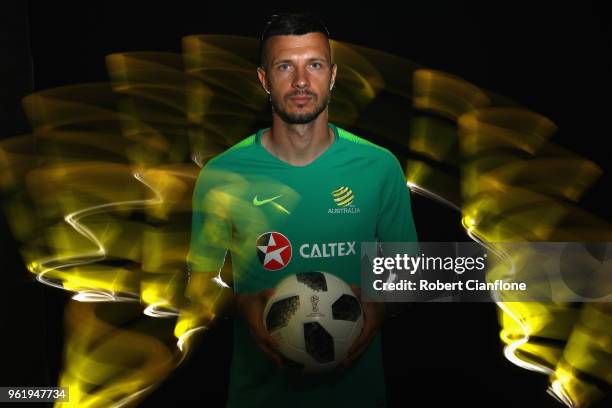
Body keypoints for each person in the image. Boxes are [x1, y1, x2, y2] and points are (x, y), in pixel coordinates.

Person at [183, 12, 418, 408]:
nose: (300, 82)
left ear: (333, 75)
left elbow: (409, 274)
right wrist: (241, 302)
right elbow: (200, 283)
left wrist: (378, 306)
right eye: (284, 66)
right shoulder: (222, 174)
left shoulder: (379, 167)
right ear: (263, 79)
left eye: (314, 65)